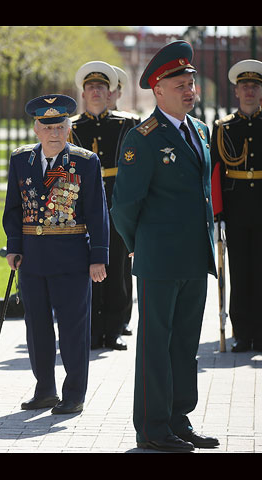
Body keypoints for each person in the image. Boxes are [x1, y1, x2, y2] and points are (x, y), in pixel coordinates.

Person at [111, 40, 219, 452]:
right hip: (158, 257)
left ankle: (178, 418)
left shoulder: (200, 131)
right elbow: (124, 205)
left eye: (190, 80)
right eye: (179, 83)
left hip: (194, 255)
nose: (189, 88)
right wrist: (141, 246)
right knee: (156, 344)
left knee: (185, 342)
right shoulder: (144, 137)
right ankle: (153, 428)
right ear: (157, 90)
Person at [3, 94, 109, 414]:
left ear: (68, 128)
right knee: (36, 328)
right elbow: (13, 208)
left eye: (60, 126)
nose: (54, 133)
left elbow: (97, 211)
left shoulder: (85, 161)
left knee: (73, 329)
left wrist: (98, 256)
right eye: (47, 126)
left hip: (71, 258)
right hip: (32, 259)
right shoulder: (21, 160)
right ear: (36, 128)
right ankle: (44, 390)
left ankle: (74, 394)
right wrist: (14, 247)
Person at [69, 61, 138, 351]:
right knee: (88, 266)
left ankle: (113, 328)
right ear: (83, 93)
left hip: (116, 203)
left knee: (117, 266)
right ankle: (92, 328)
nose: (95, 91)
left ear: (109, 91)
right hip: (84, 206)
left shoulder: (126, 123)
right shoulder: (72, 127)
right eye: (90, 87)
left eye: (100, 87)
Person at [210, 59, 262, 353]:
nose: (250, 91)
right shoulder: (223, 128)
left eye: (255, 86)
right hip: (237, 208)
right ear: (237, 92)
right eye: (245, 86)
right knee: (240, 272)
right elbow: (216, 173)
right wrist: (218, 213)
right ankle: (242, 332)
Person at [107, 64, 140, 338]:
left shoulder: (128, 122)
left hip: (119, 198)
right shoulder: (77, 124)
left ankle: (120, 319)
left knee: (120, 263)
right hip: (89, 202)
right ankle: (97, 320)